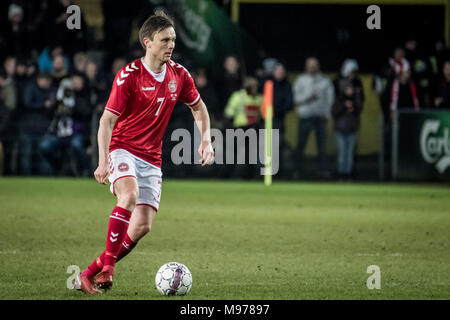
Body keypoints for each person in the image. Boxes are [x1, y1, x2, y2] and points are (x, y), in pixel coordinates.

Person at [76, 10, 214, 294]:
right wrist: (103, 162)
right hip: (122, 148)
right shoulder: (129, 76)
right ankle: (109, 270)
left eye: (173, 39)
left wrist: (205, 141)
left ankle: (89, 273)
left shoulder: (179, 75)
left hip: (151, 158)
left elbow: (198, 107)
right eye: (165, 40)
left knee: (141, 227)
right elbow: (107, 121)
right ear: (147, 42)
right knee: (129, 196)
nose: (171, 45)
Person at [293, 57, 334, 179]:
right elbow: (296, 98)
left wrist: (327, 114)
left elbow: (330, 99)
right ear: (306, 66)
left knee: (322, 146)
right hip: (305, 116)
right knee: (301, 145)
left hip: (320, 116)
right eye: (310, 65)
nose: (312, 67)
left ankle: (323, 171)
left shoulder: (325, 81)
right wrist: (309, 97)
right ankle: (297, 170)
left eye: (315, 65)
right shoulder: (300, 80)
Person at [224, 76, 262, 179]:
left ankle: (229, 175)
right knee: (249, 155)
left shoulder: (238, 96)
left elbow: (228, 113)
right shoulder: (259, 98)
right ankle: (247, 176)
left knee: (234, 154)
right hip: (250, 128)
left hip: (241, 128)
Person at [332, 80, 363, 180]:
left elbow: (359, 109)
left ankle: (349, 174)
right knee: (342, 154)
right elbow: (334, 112)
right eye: (348, 88)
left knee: (350, 155)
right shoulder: (338, 99)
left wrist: (357, 97)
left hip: (352, 129)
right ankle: (341, 174)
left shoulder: (355, 100)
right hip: (340, 130)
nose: (350, 90)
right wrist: (344, 106)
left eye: (351, 89)